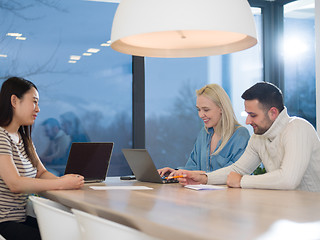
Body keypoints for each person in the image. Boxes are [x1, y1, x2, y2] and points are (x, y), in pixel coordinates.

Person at [178, 82, 320, 192]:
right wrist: (204, 179)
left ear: (273, 113)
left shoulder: (298, 128)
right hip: (285, 209)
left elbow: (289, 180)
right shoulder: (258, 138)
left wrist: (241, 181)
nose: (247, 122)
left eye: (253, 115)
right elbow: (237, 170)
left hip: (311, 215)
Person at [0, 77, 84, 240]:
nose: (38, 109)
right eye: (34, 102)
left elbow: (41, 172)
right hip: (4, 223)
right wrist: (61, 183)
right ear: (14, 101)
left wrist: (67, 183)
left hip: (20, 219)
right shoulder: (1, 137)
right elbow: (14, 184)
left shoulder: (24, 139)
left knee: (68, 232)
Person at [158, 83, 250, 177]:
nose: (201, 115)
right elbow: (193, 166)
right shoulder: (204, 133)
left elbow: (235, 173)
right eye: (199, 110)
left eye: (206, 110)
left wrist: (202, 175)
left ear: (221, 108)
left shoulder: (240, 135)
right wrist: (176, 172)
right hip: (202, 191)